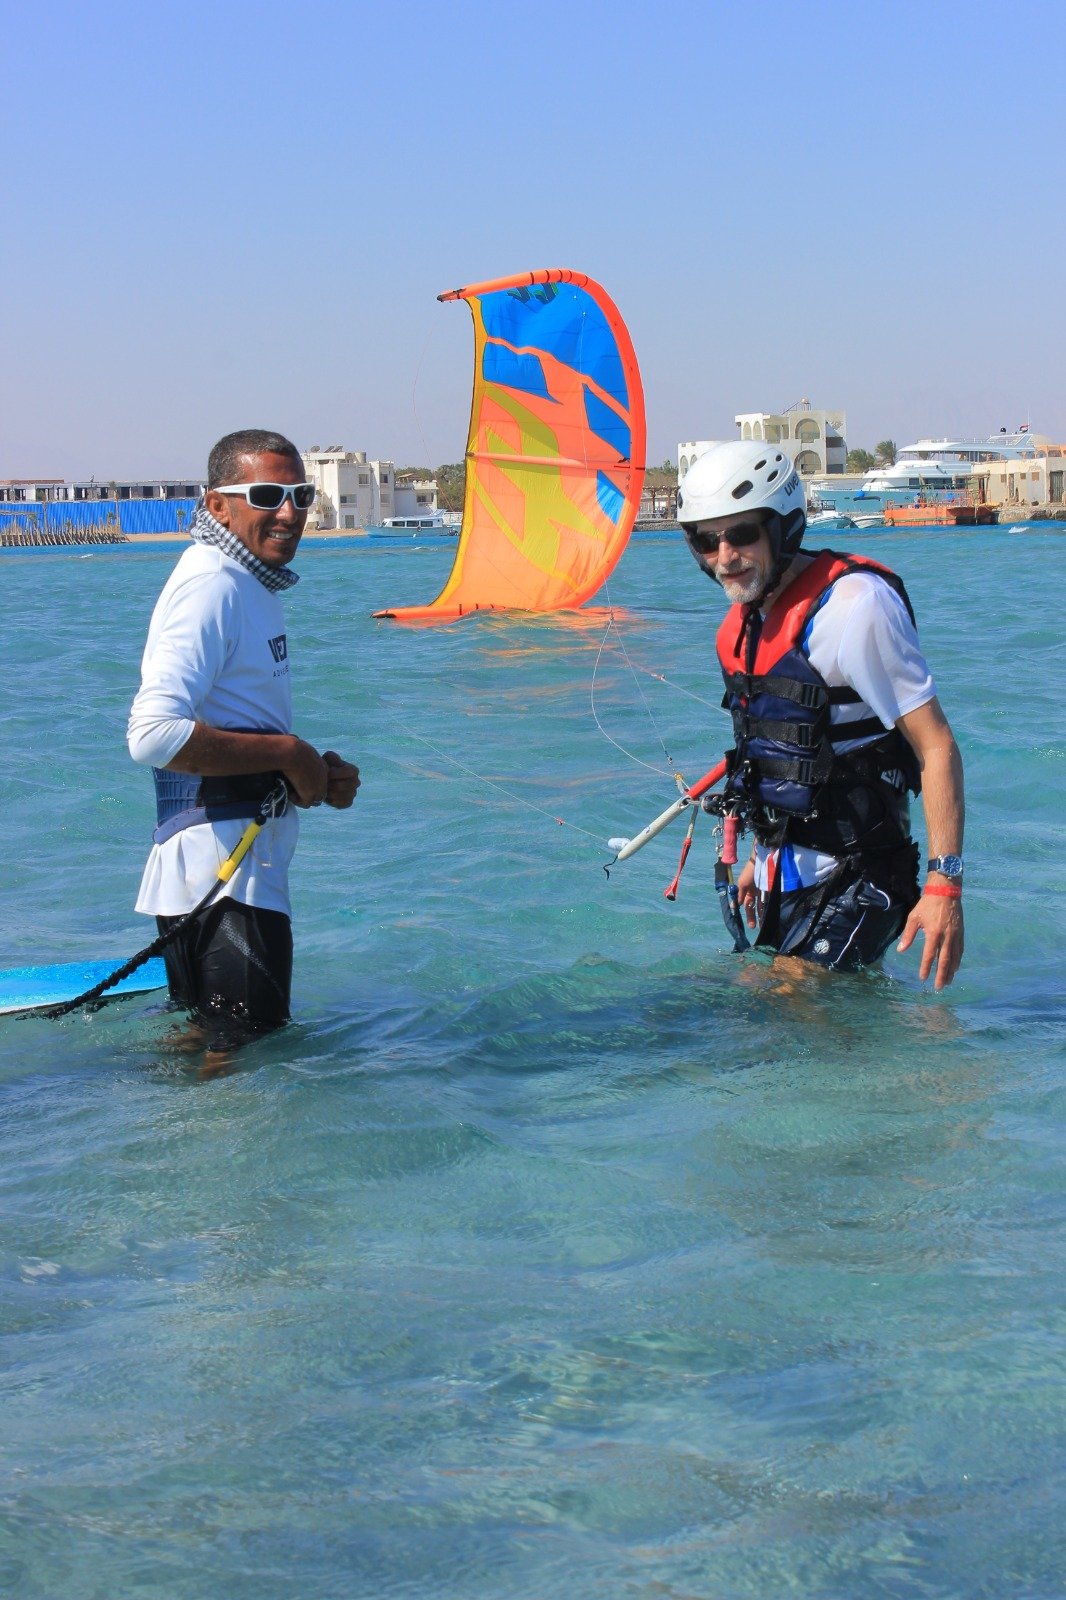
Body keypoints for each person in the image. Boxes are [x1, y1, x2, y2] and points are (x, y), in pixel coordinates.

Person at [677, 440, 964, 990]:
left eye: (741, 534)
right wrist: (761, 857)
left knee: (776, 1004)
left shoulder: (855, 607)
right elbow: (776, 755)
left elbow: (935, 745)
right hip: (786, 875)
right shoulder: (742, 628)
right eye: (707, 541)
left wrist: (944, 887)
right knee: (795, 1020)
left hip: (864, 873)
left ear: (782, 527)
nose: (725, 556)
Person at [127, 429, 360, 1049]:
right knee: (244, 1051)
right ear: (217, 506)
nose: (288, 512)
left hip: (231, 862)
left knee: (210, 1047)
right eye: (266, 495)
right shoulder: (212, 583)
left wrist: (313, 774)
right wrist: (289, 754)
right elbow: (152, 735)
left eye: (301, 495)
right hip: (223, 869)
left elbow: (237, 718)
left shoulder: (245, 581)